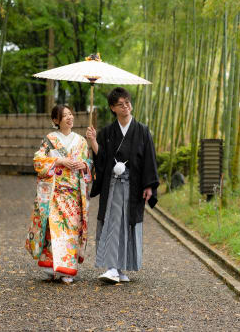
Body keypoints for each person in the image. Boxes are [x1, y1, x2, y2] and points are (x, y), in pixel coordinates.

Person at [86, 87, 159, 283]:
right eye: (120, 104)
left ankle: (120, 268)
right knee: (112, 222)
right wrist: (93, 141)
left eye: (127, 102)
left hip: (133, 185)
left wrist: (149, 186)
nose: (126, 106)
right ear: (113, 108)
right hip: (113, 186)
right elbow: (102, 158)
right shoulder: (108, 132)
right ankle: (111, 267)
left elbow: (149, 160)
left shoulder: (142, 131)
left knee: (127, 223)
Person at [26, 105, 92, 284]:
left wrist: (83, 165)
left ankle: (67, 271)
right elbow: (38, 160)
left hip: (73, 194)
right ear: (56, 121)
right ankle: (52, 267)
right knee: (54, 231)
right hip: (55, 193)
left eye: (71, 114)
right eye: (65, 116)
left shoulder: (81, 141)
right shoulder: (50, 139)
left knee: (70, 231)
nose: (70, 118)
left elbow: (88, 162)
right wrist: (59, 160)